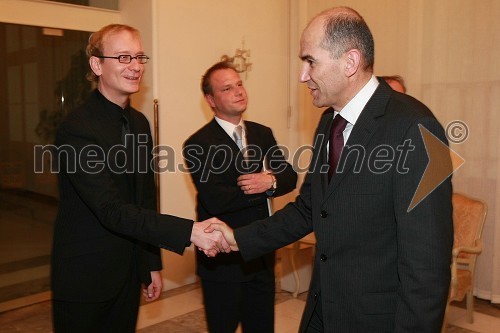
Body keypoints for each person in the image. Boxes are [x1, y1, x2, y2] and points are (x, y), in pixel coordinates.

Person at [207, 7, 453, 333]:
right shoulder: (329, 122)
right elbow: (310, 208)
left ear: (349, 62)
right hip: (323, 310)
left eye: (310, 61)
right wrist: (239, 239)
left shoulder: (417, 127)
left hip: (375, 319)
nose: (302, 75)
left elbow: (428, 264)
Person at [51, 24, 227, 333]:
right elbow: (111, 209)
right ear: (97, 65)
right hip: (86, 277)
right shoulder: (76, 128)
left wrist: (150, 264)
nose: (135, 66)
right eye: (123, 57)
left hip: (128, 273)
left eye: (139, 56)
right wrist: (190, 232)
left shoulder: (139, 122)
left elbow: (144, 197)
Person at [183, 61, 298, 333]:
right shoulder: (198, 143)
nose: (238, 91)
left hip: (261, 253)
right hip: (223, 261)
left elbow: (289, 177)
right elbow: (217, 198)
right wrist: (264, 186)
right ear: (211, 99)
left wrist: (269, 181)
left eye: (239, 84)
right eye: (227, 88)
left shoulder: (262, 133)